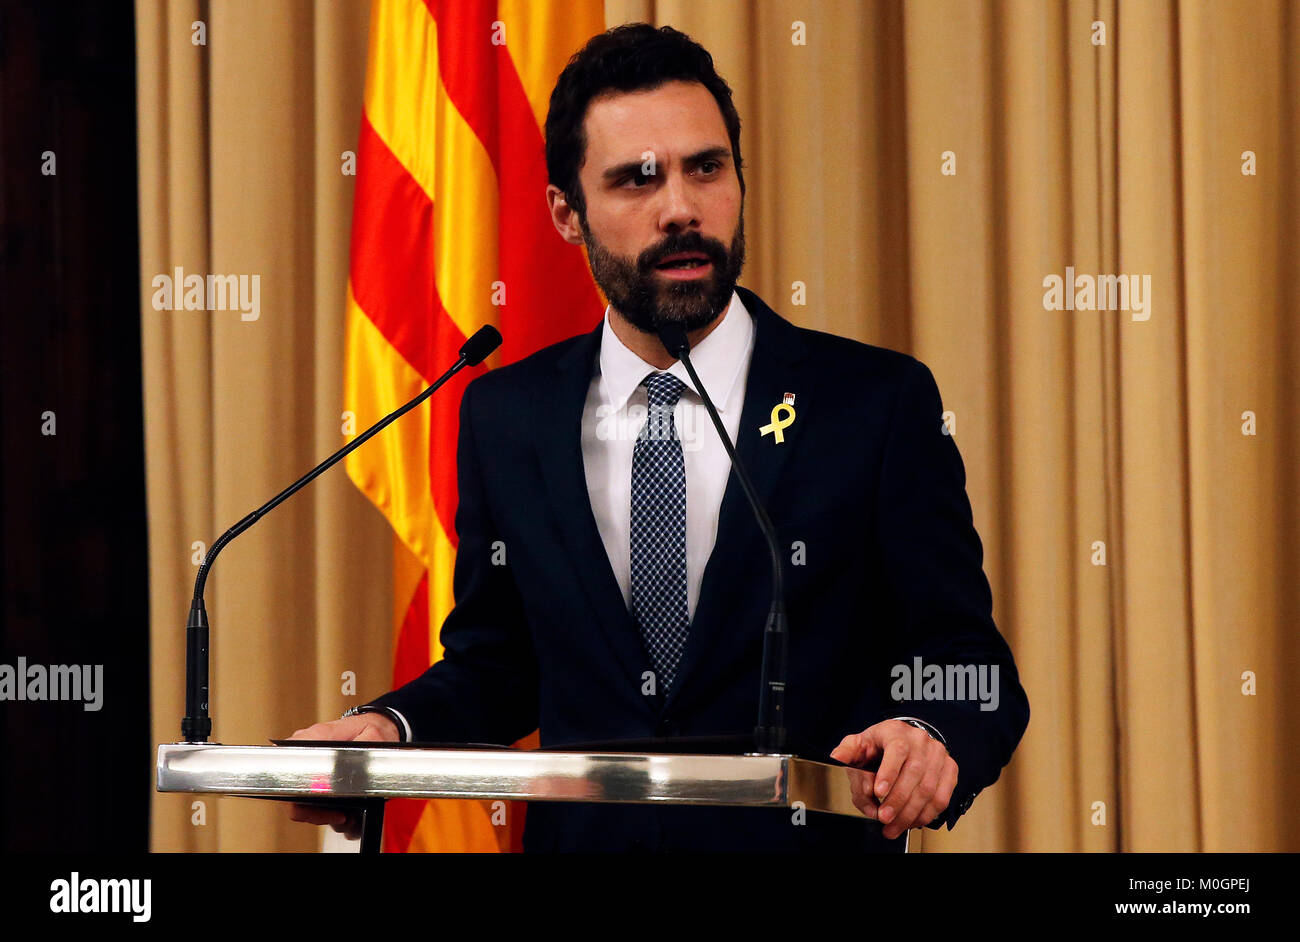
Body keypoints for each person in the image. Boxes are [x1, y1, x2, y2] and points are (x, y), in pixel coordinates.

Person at [291, 23, 1028, 852]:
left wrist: (926, 727)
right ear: (566, 213)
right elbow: (500, 668)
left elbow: (969, 660)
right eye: (637, 179)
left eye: (705, 168)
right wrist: (388, 727)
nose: (681, 208)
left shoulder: (873, 402)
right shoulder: (509, 416)